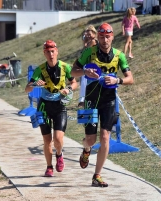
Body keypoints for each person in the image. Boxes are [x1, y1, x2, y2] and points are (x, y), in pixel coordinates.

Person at [71, 22, 134, 187]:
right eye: (101, 37)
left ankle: (97, 175)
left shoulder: (119, 55)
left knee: (105, 136)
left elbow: (130, 78)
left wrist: (117, 80)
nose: (105, 40)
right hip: (91, 100)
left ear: (112, 37)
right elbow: (72, 72)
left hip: (108, 100)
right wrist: (84, 72)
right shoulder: (88, 53)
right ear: (97, 37)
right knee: (91, 140)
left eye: (107, 37)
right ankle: (86, 149)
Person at [25, 40, 77, 177]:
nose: (51, 54)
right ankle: (49, 167)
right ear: (44, 53)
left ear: (57, 51)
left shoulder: (65, 67)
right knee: (47, 140)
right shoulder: (40, 70)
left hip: (60, 106)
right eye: (48, 52)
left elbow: (74, 82)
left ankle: (59, 154)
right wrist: (35, 83)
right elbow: (27, 89)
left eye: (53, 51)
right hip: (44, 107)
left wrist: (69, 89)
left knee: (58, 139)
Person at [78, 25, 99, 108]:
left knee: (85, 82)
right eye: (86, 35)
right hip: (87, 67)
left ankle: (83, 100)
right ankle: (83, 100)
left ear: (94, 33)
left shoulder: (94, 42)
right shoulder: (88, 44)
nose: (88, 36)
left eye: (90, 34)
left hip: (92, 67)